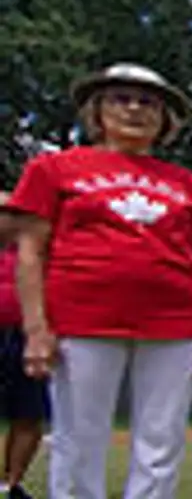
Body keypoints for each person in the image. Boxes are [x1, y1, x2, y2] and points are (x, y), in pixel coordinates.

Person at [9, 64, 192, 499]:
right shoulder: (54, 169)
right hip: (83, 318)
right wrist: (36, 330)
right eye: (121, 98)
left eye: (148, 102)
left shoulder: (189, 185)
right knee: (78, 438)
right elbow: (30, 252)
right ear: (97, 111)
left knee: (161, 443)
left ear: (165, 119)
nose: (134, 109)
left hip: (175, 322)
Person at [1, 199, 53, 499]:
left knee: (28, 413)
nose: (8, 220)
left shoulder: (35, 253)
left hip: (25, 338)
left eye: (13, 213)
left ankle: (9, 485)